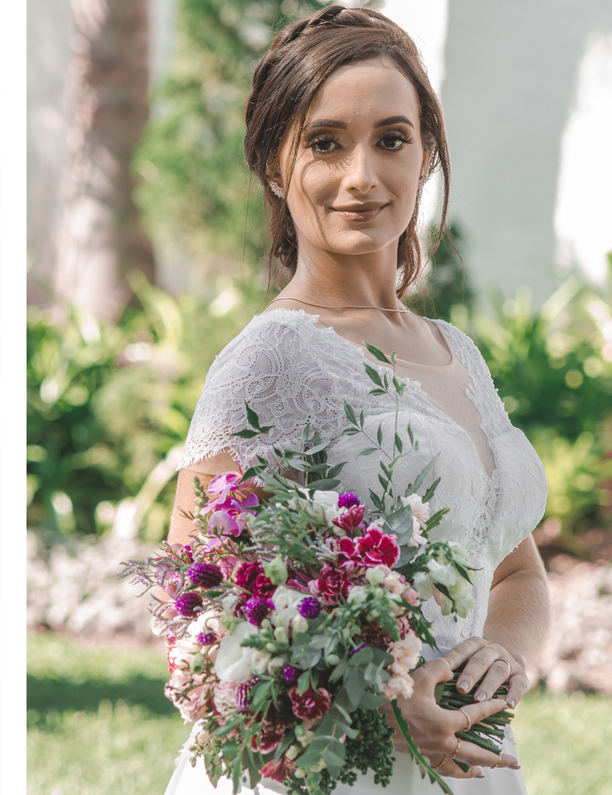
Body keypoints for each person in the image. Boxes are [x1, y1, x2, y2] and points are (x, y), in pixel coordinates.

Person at [164, 7, 548, 794]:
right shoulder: (270, 361)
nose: (362, 175)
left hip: (469, 767)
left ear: (426, 154)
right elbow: (194, 620)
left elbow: (515, 570)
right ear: (276, 167)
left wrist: (505, 653)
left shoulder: (458, 352)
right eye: (326, 142)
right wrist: (388, 706)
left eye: (392, 139)